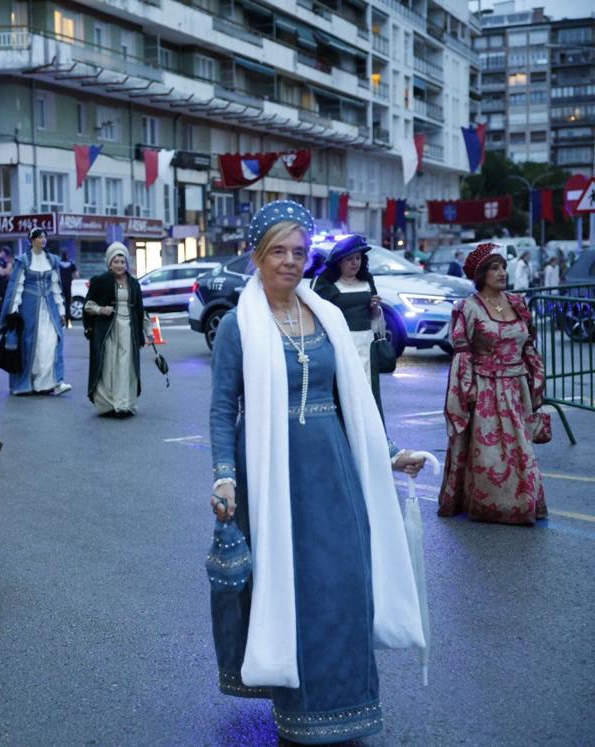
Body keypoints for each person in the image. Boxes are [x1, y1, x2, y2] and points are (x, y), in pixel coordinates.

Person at [209, 200, 427, 744]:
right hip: (274, 478)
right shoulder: (237, 326)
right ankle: (302, 716)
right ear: (258, 257)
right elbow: (222, 409)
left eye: (299, 252)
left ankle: (351, 705)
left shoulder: (326, 315)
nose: (290, 261)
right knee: (297, 592)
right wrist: (224, 475)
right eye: (278, 252)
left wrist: (391, 452)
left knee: (345, 585)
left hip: (333, 471)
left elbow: (353, 400)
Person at [438, 243, 547, 525]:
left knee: (521, 450)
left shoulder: (517, 303)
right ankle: (490, 505)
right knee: (488, 454)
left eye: (503, 267)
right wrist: (466, 391)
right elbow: (463, 354)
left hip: (516, 387)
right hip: (485, 389)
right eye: (494, 268)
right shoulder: (468, 308)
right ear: (481, 274)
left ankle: (523, 503)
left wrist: (536, 380)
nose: (502, 273)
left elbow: (528, 345)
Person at [312, 235, 386, 415]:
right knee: (345, 390)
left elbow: (375, 317)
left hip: (366, 343)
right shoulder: (326, 284)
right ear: (339, 262)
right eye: (349, 259)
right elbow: (317, 316)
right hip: (341, 343)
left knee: (368, 387)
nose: (355, 263)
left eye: (358, 258)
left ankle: (369, 428)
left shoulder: (367, 280)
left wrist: (375, 308)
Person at [0, 227, 71, 395]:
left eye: (45, 237)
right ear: (32, 240)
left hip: (50, 309)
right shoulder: (23, 261)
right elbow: (17, 286)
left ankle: (52, 382)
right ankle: (28, 383)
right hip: (29, 309)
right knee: (31, 345)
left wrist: (62, 311)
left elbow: (56, 286)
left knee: (52, 342)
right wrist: (14, 310)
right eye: (40, 237)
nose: (43, 239)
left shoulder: (52, 260)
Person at [83, 242, 147, 417]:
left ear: (127, 263)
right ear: (109, 263)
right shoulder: (100, 281)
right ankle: (108, 405)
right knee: (108, 367)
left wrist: (146, 333)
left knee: (126, 367)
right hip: (108, 331)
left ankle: (124, 404)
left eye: (122, 262)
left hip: (129, 330)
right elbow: (87, 306)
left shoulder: (134, 283)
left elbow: (140, 310)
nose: (119, 265)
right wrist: (100, 309)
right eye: (115, 262)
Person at [58, 250, 77, 328]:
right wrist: (71, 279)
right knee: (68, 305)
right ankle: (68, 323)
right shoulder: (71, 263)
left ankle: (61, 321)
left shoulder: (58, 263)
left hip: (60, 287)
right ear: (67, 255)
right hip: (68, 287)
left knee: (60, 304)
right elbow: (75, 274)